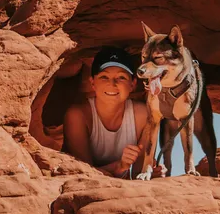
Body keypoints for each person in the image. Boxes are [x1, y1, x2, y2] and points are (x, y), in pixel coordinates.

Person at [63, 46, 155, 178]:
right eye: (104, 77)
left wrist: (153, 173)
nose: (112, 84)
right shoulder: (78, 116)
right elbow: (83, 175)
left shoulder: (143, 116)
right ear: (92, 83)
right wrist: (119, 166)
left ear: (133, 84)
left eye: (121, 77)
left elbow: (139, 174)